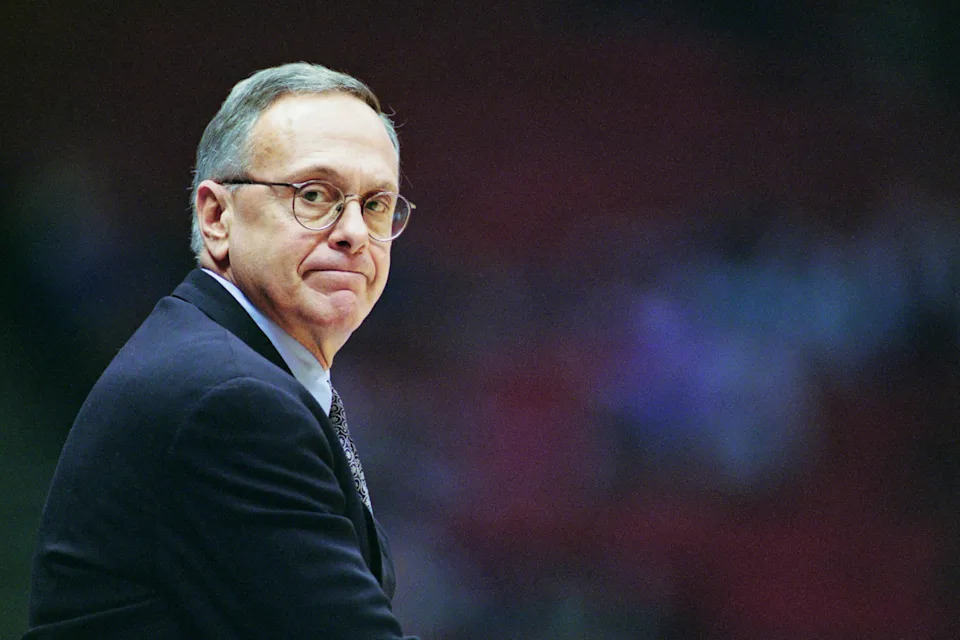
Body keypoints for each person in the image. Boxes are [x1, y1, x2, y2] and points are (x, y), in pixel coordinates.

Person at [24, 62, 418, 639]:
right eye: (314, 195)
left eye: (377, 204)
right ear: (216, 217)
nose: (354, 232)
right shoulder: (231, 403)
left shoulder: (222, 362)